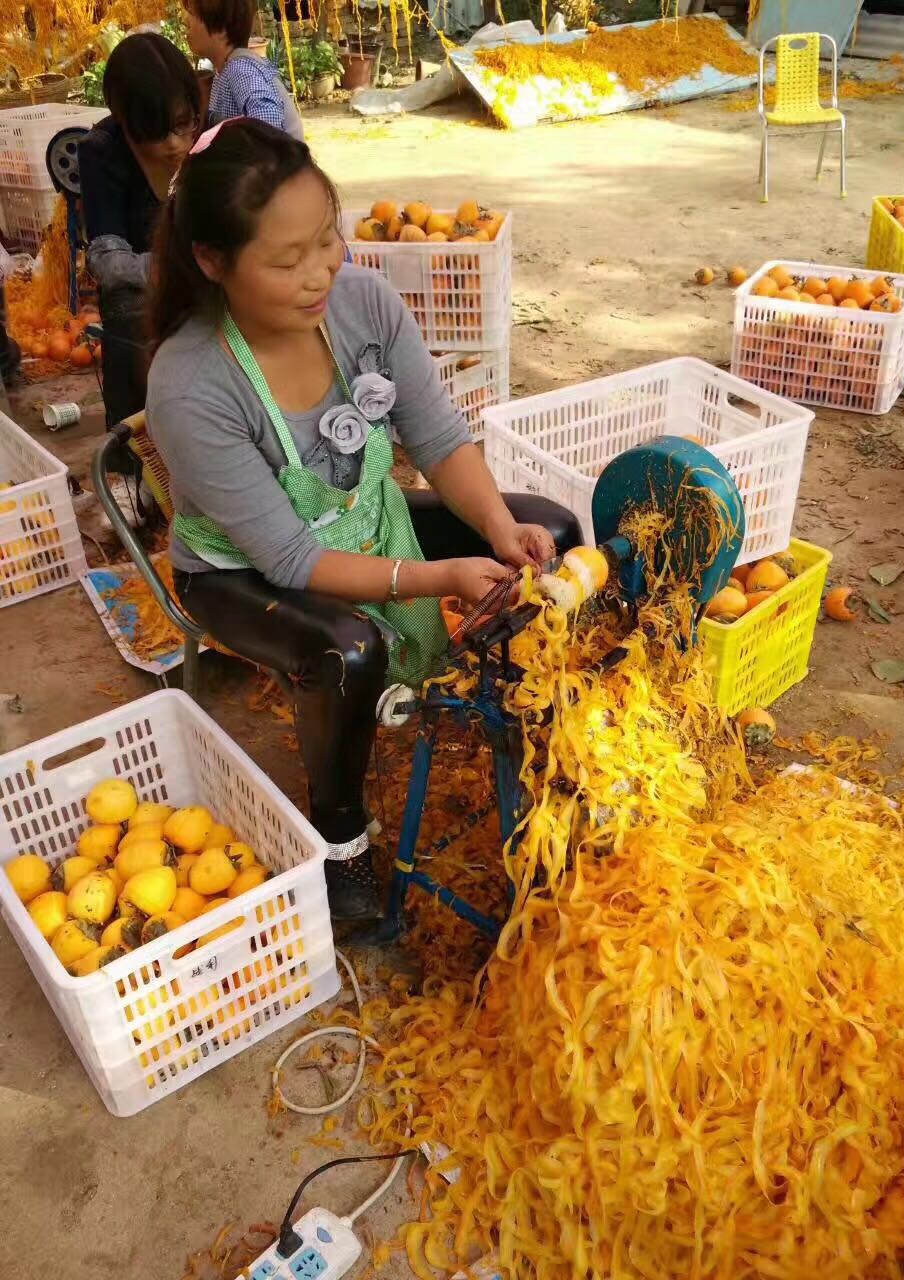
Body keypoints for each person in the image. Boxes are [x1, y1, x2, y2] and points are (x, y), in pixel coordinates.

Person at [146, 119, 580, 920]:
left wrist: (492, 528)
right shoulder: (191, 383)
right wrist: (436, 576)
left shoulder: (364, 303)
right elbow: (286, 557)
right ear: (212, 261)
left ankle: (506, 723)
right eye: (286, 260)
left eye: (327, 239)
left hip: (367, 516)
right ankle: (340, 837)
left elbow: (441, 439)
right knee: (348, 648)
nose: (321, 273)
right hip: (244, 571)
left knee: (554, 531)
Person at [78, 33, 200, 447]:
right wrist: (177, 265)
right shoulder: (102, 150)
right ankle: (141, 451)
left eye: (184, 125)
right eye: (157, 131)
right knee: (129, 306)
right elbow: (109, 262)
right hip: (144, 289)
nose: (175, 144)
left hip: (207, 276)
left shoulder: (210, 131)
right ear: (127, 121)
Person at [183, 0, 304, 140]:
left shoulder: (240, 68)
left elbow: (269, 124)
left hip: (278, 160)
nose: (186, 20)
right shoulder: (225, 69)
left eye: (192, 13)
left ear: (221, 30)